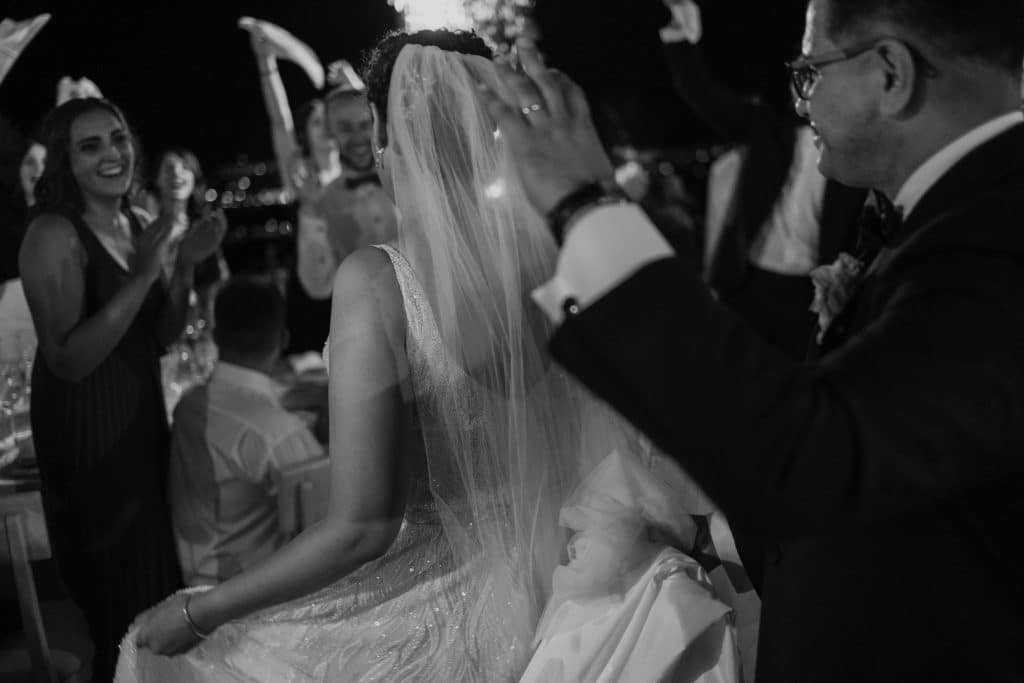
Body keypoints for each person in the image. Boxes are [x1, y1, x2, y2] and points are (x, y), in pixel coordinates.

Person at [118, 30, 735, 683]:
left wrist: (200, 612)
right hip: (571, 577)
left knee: (160, 658)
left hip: (450, 607)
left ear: (386, 134)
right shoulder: (558, 252)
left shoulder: (377, 282)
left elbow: (363, 526)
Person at [482, 2, 1024, 679]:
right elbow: (894, 475)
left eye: (810, 71)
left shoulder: (998, 234)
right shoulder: (951, 214)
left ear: (890, 73)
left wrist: (583, 205)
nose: (802, 101)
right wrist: (718, 536)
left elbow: (825, 454)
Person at [17, 97, 226, 682]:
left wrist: (183, 265)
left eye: (118, 138)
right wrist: (142, 273)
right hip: (86, 425)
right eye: (91, 146)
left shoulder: (136, 222)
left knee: (153, 578)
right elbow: (66, 358)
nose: (113, 154)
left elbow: (155, 335)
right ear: (66, 161)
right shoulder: (53, 233)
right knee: (115, 587)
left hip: (137, 414)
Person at [662, 0, 866, 361]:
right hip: (747, 281)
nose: (805, 89)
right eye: (800, 76)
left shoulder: (857, 155)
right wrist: (679, 38)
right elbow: (702, 94)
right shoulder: (766, 130)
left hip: (807, 295)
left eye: (815, 75)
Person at [169, 277, 325, 587]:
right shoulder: (279, 433)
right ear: (282, 339)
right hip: (255, 602)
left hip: (193, 582)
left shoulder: (188, 405)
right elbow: (329, 530)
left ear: (215, 336)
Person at [143, 147, 230, 321]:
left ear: (194, 178)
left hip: (198, 322)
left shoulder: (203, 229)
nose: (177, 174)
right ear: (156, 179)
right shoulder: (145, 227)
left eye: (185, 168)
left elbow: (218, 281)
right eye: (169, 168)